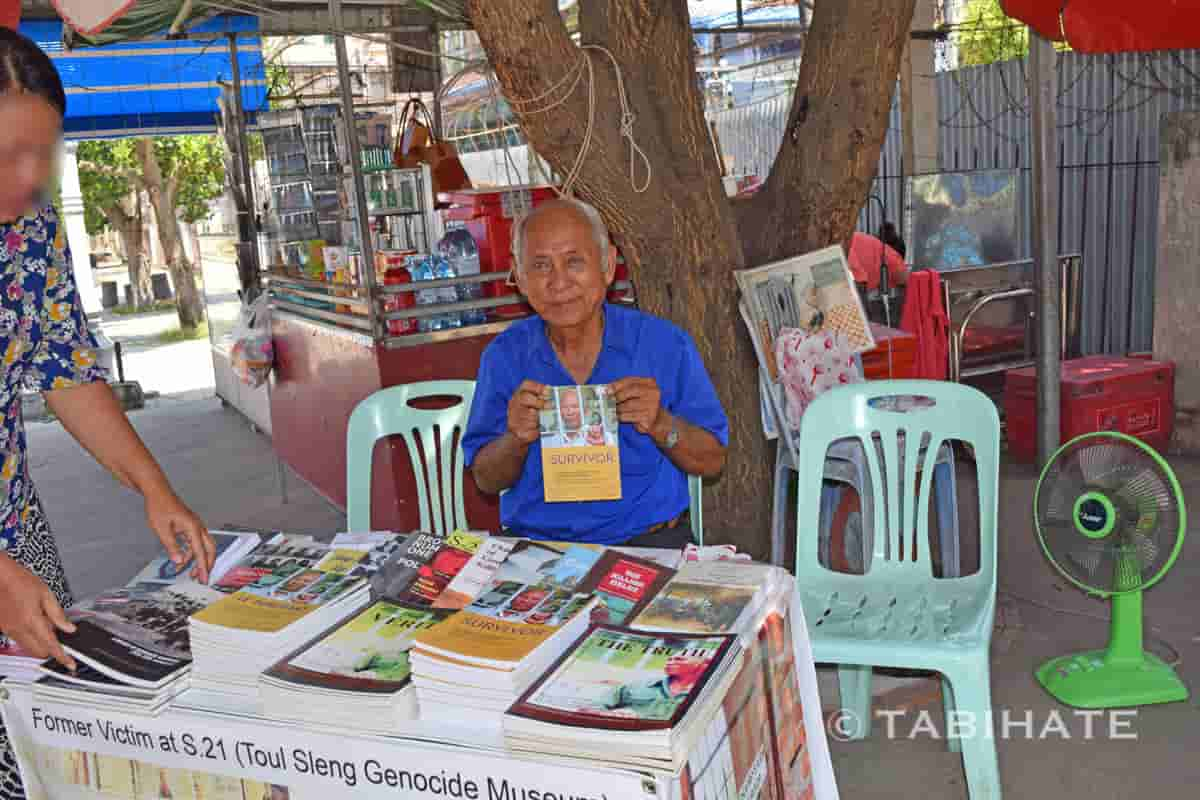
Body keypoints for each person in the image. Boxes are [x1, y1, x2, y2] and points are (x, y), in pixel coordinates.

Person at [0, 28, 215, 800]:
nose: (28, 175)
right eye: (8, 153)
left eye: (42, 152)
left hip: (12, 527)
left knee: (39, 746)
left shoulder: (30, 226)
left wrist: (152, 486)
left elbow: (64, 369)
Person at [462, 197, 728, 547]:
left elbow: (712, 461)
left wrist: (662, 424)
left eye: (574, 262)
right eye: (541, 266)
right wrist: (517, 439)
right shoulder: (505, 356)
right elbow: (486, 480)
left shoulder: (663, 345)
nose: (559, 283)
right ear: (520, 277)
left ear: (607, 265)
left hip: (649, 543)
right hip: (540, 547)